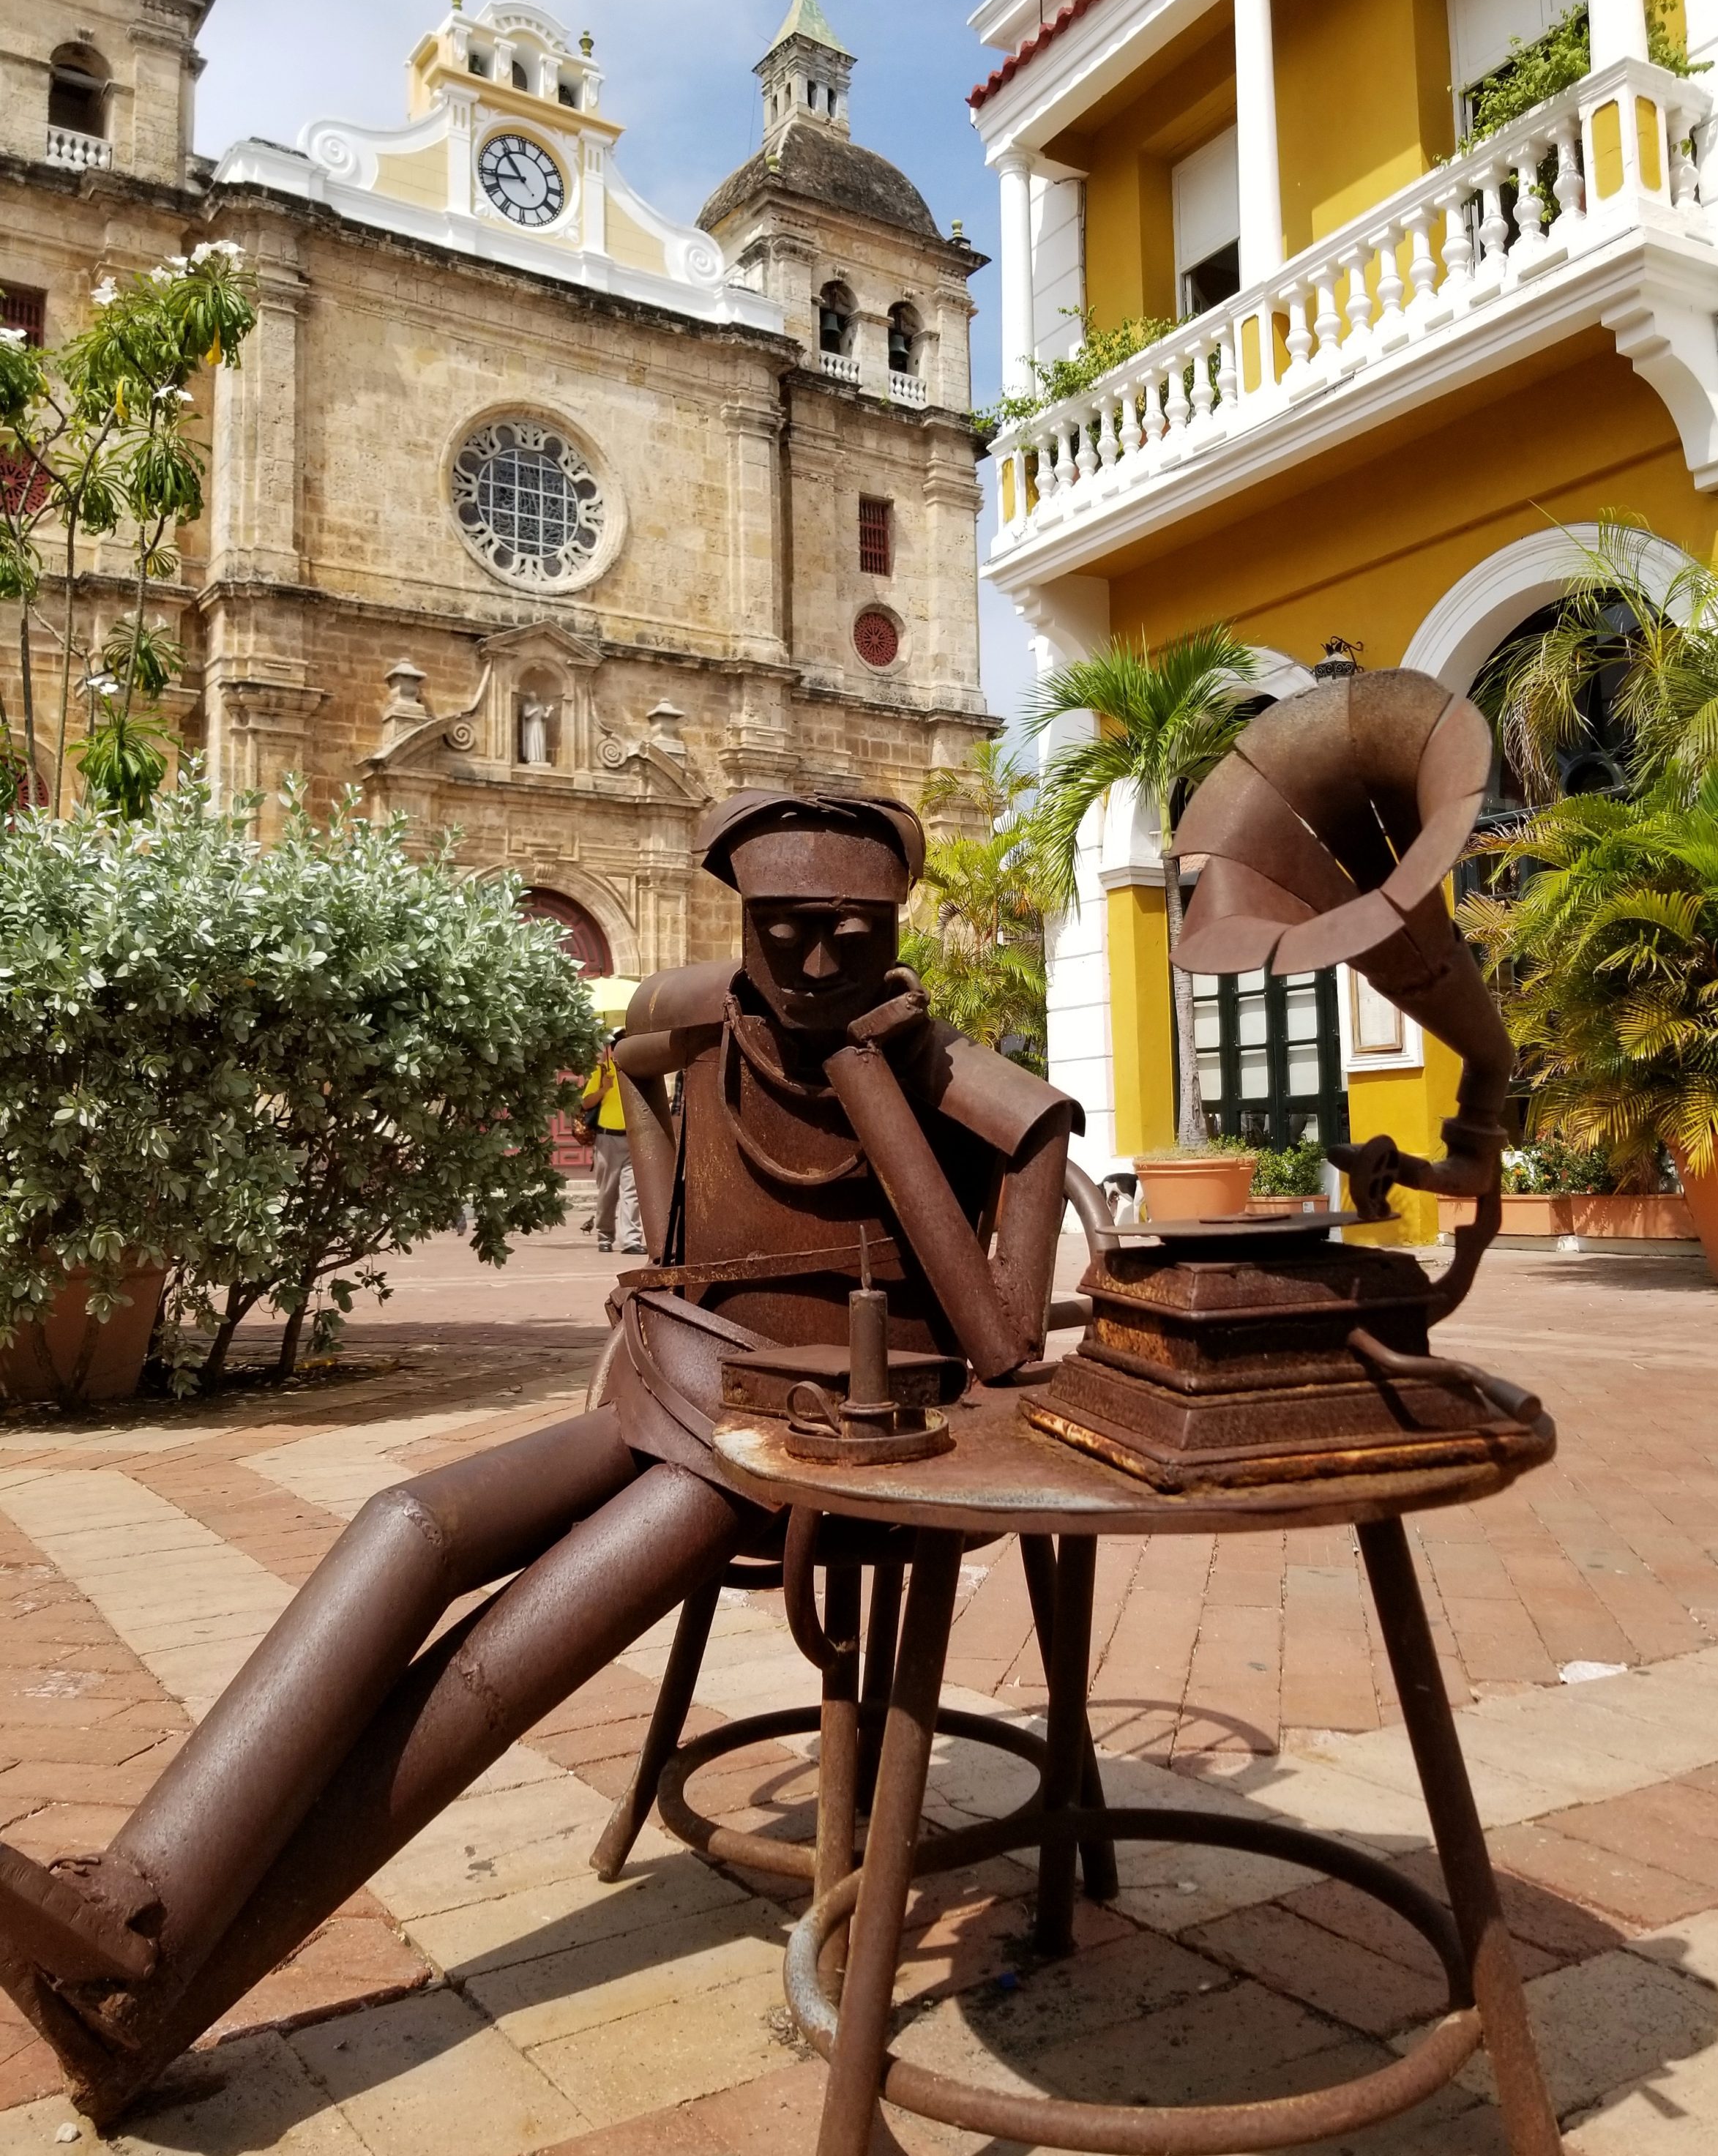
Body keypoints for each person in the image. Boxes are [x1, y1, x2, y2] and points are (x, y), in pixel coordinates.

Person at [0, 791, 1079, 2125]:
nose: (810, 967)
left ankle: (152, 2002)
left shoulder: (940, 1073)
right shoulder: (718, 1006)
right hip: (677, 1383)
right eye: (783, 933)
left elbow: (1010, 1321)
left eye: (849, 937)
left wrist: (875, 1074)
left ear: (893, 936)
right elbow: (637, 1041)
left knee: (497, 1658)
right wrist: (670, 1206)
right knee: (409, 1523)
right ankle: (127, 1898)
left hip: (801, 1446)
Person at [578, 1031, 644, 1254]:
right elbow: (586, 1103)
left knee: (632, 1192)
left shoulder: (640, 1068)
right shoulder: (602, 1069)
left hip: (633, 1138)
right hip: (607, 1139)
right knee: (607, 1192)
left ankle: (631, 1240)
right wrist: (604, 1088)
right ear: (616, 1048)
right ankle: (605, 1236)